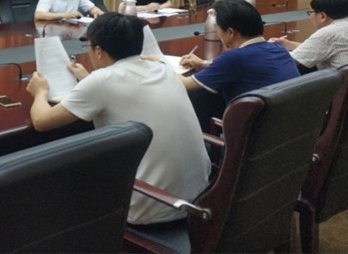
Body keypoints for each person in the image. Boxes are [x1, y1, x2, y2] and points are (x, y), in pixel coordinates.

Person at [25, 13, 210, 225]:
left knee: (61, 176)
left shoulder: (102, 81)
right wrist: (87, 78)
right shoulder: (163, 68)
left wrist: (40, 92)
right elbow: (122, 88)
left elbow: (41, 121)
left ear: (98, 51)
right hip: (199, 199)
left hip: (149, 208)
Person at [179, 0, 299, 102]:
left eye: (217, 28)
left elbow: (183, 85)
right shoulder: (279, 49)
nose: (217, 33)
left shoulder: (233, 58)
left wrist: (167, 66)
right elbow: (247, 66)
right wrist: (202, 64)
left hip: (252, 121)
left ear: (230, 32)